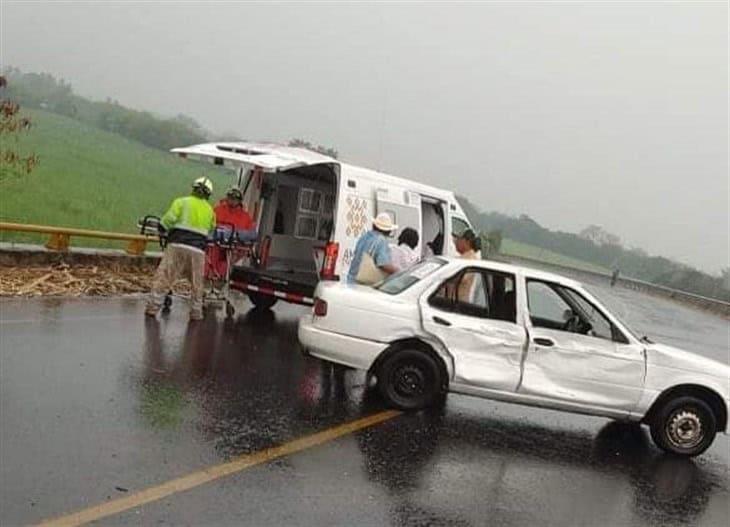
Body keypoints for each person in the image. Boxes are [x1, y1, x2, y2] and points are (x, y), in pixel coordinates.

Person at [145, 177, 216, 321]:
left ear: (193, 189)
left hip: (177, 245)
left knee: (165, 277)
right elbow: (211, 231)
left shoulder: (181, 202)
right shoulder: (210, 211)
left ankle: (153, 307)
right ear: (208, 194)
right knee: (196, 283)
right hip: (197, 251)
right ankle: (196, 312)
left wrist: (161, 228)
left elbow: (167, 221)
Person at [347, 212, 399, 284]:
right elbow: (383, 264)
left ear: (374, 225)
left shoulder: (364, 236)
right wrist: (398, 272)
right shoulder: (381, 241)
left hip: (351, 279)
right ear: (388, 231)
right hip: (363, 283)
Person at [453, 228, 481, 301]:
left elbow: (462, 278)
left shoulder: (469, 259)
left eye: (458, 239)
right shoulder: (466, 258)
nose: (455, 241)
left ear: (467, 242)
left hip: (458, 304)